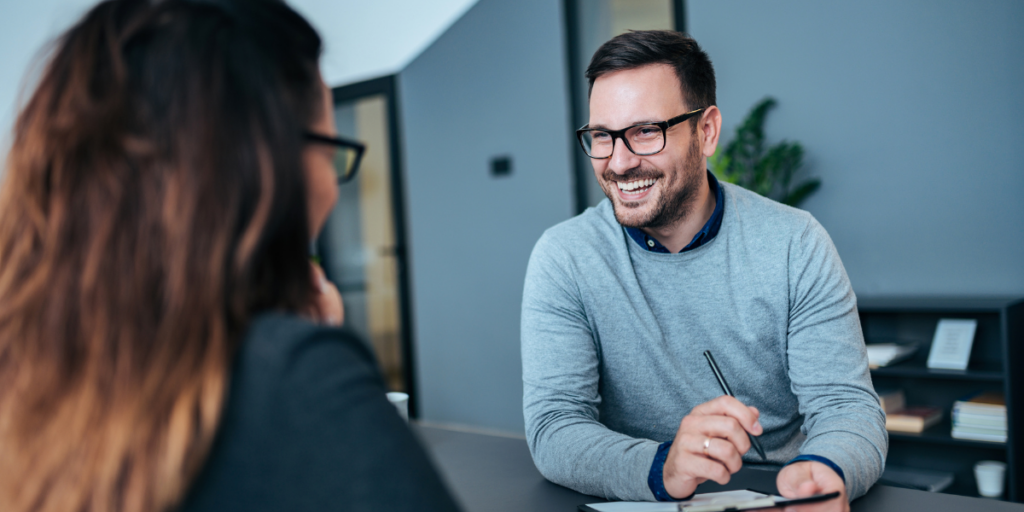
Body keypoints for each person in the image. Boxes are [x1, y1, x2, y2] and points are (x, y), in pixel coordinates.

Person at [0, 1, 460, 511]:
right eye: (331, 153)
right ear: (260, 168)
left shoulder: (26, 366)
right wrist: (313, 350)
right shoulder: (293, 377)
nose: (333, 183)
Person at [521, 30, 886, 508]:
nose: (619, 162)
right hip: (646, 498)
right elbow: (555, 428)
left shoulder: (795, 241)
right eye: (602, 136)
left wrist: (824, 473)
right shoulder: (565, 258)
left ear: (707, 131)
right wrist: (662, 466)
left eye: (646, 131)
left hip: (778, 495)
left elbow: (847, 408)